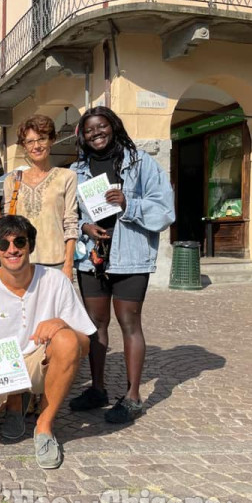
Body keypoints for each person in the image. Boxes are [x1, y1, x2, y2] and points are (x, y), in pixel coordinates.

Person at [0, 215, 96, 469]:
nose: (12, 249)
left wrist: (62, 325)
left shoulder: (56, 281)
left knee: (66, 339)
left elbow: (84, 344)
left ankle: (44, 426)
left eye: (19, 242)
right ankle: (17, 399)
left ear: (30, 246)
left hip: (38, 361)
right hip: (1, 367)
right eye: (4, 244)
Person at [68, 106, 175, 423]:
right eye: (88, 130)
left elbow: (164, 211)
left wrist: (129, 204)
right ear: (82, 136)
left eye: (101, 126)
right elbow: (67, 215)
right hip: (93, 257)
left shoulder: (142, 164)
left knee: (129, 323)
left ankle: (132, 397)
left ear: (113, 127)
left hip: (130, 255)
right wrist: (83, 227)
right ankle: (98, 389)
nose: (95, 133)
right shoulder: (76, 171)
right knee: (95, 325)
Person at [3, 115, 78, 279]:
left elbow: (71, 223)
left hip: (56, 263)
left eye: (42, 139)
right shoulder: (12, 180)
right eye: (30, 141)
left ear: (52, 140)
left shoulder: (67, 176)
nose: (36, 146)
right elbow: (7, 224)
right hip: (21, 262)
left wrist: (68, 265)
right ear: (24, 146)